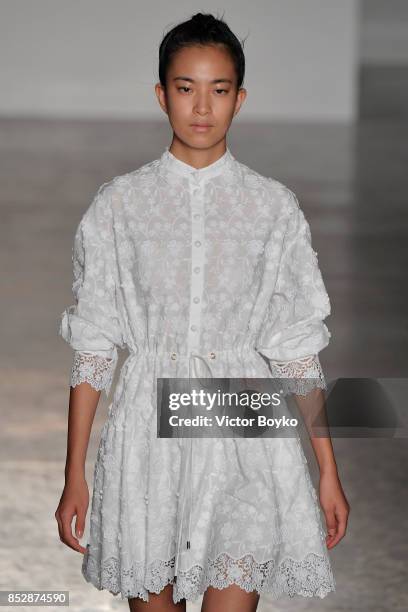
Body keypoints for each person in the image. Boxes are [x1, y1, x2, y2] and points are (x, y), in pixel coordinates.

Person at [55, 11, 350, 612]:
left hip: (244, 431)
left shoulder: (272, 208)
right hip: (145, 444)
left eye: (218, 90)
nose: (201, 107)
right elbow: (95, 346)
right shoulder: (120, 206)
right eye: (186, 88)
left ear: (240, 100)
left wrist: (327, 470)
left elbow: (294, 345)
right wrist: (73, 472)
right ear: (161, 95)